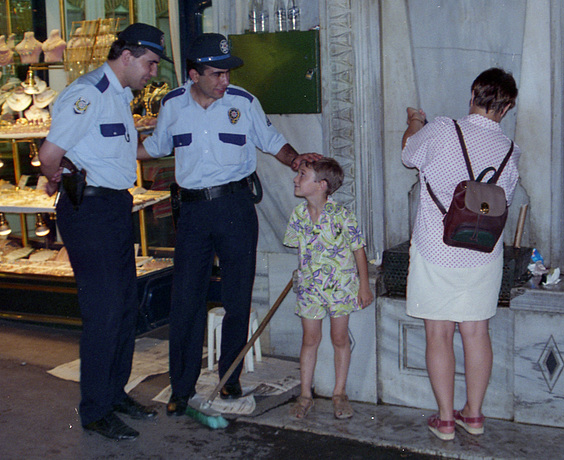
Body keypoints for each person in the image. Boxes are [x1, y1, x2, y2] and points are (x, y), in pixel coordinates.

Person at [138, 32, 322, 416]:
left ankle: (231, 378)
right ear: (193, 74)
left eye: (227, 72)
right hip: (191, 213)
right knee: (186, 298)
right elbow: (155, 147)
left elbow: (272, 141)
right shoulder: (172, 105)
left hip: (236, 207)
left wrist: (295, 159)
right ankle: (181, 386)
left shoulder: (243, 102)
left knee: (237, 296)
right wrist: (111, 150)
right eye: (216, 74)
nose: (225, 80)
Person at [39, 23, 172, 440]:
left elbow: (114, 150)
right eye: (150, 63)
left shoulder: (118, 95)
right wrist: (59, 178)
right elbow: (49, 154)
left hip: (112, 206)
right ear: (128, 55)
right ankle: (96, 409)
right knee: (104, 311)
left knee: (125, 304)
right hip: (89, 209)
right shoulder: (89, 94)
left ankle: (115, 394)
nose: (153, 71)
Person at [401, 68, 520, 441]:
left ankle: (445, 420)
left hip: (435, 247)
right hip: (483, 253)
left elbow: (408, 155)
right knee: (476, 331)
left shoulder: (439, 129)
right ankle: (474, 415)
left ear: (472, 94)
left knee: (438, 333)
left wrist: (413, 122)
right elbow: (505, 201)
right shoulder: (510, 151)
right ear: (508, 107)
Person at [283, 158, 374, 420]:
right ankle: (305, 395)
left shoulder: (342, 215)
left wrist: (364, 286)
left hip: (341, 288)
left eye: (302, 175)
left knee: (339, 338)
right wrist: (300, 276)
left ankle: (339, 393)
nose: (295, 179)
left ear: (321, 185)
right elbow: (300, 249)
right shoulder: (298, 215)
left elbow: (359, 250)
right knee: (309, 339)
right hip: (311, 288)